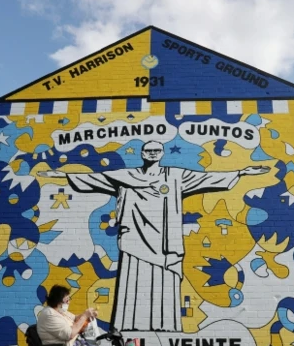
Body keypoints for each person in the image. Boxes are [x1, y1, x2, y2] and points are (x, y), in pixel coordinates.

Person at [38, 141, 270, 332]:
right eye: (148, 150)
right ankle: (129, 325)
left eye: (156, 150)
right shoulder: (126, 176)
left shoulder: (174, 176)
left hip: (164, 243)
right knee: (134, 282)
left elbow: (207, 179)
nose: (152, 153)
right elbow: (95, 179)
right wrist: (59, 175)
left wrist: (241, 172)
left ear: (161, 154)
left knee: (163, 283)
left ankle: (164, 325)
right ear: (142, 153)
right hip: (135, 240)